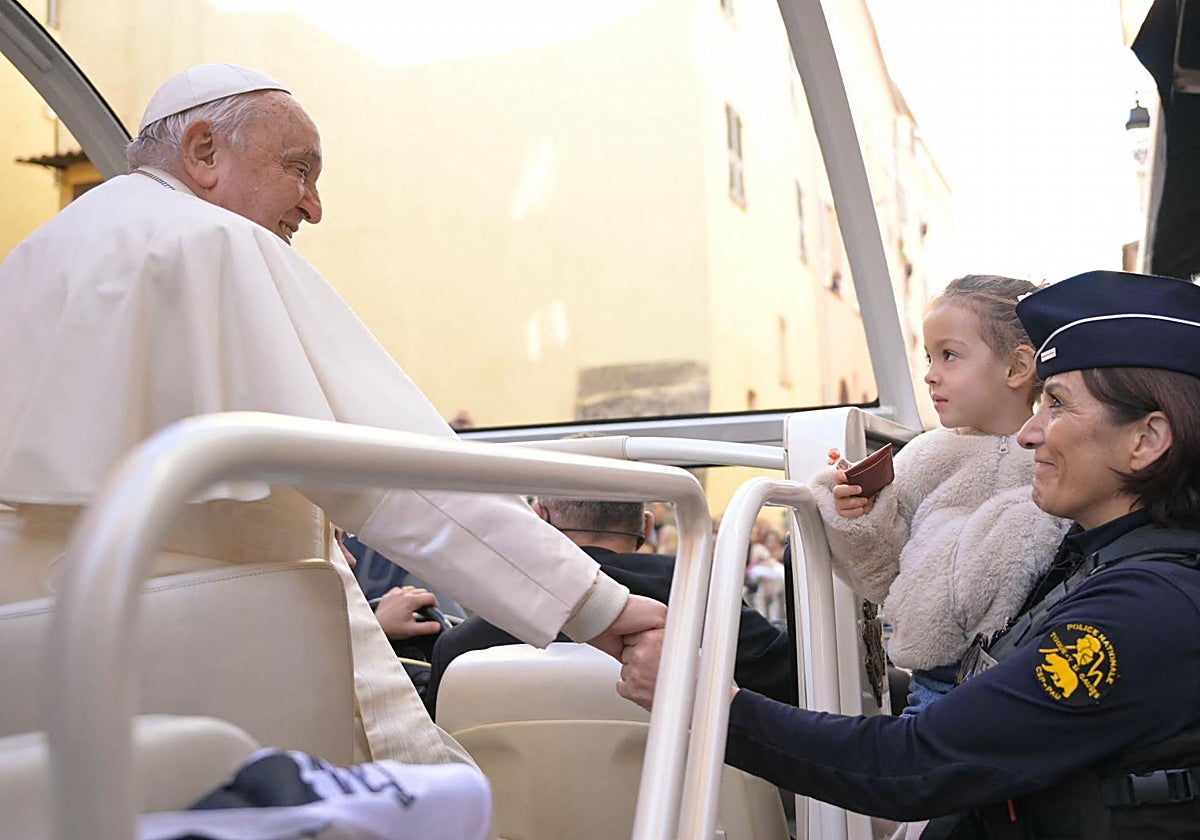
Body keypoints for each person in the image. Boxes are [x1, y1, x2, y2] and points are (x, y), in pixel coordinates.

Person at [0, 64, 664, 766]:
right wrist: (596, 605)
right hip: (207, 653)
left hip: (44, 662)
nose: (313, 208)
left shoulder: (34, 254)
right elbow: (404, 474)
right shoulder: (216, 240)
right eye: (299, 171)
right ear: (203, 151)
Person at [618, 270, 1200, 837]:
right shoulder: (1098, 561)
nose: (1029, 432)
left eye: (1058, 405)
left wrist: (703, 700)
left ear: (1146, 440)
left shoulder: (1143, 609)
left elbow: (914, 765)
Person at [809, 275, 1069, 713]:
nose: (930, 375)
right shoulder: (922, 456)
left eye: (949, 355)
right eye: (929, 357)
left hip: (1035, 671)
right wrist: (860, 517)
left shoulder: (1059, 453)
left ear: (1017, 367)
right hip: (937, 682)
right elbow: (881, 575)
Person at [423, 497, 797, 717]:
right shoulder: (702, 597)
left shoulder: (459, 649)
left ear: (539, 518)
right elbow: (795, 690)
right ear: (646, 527)